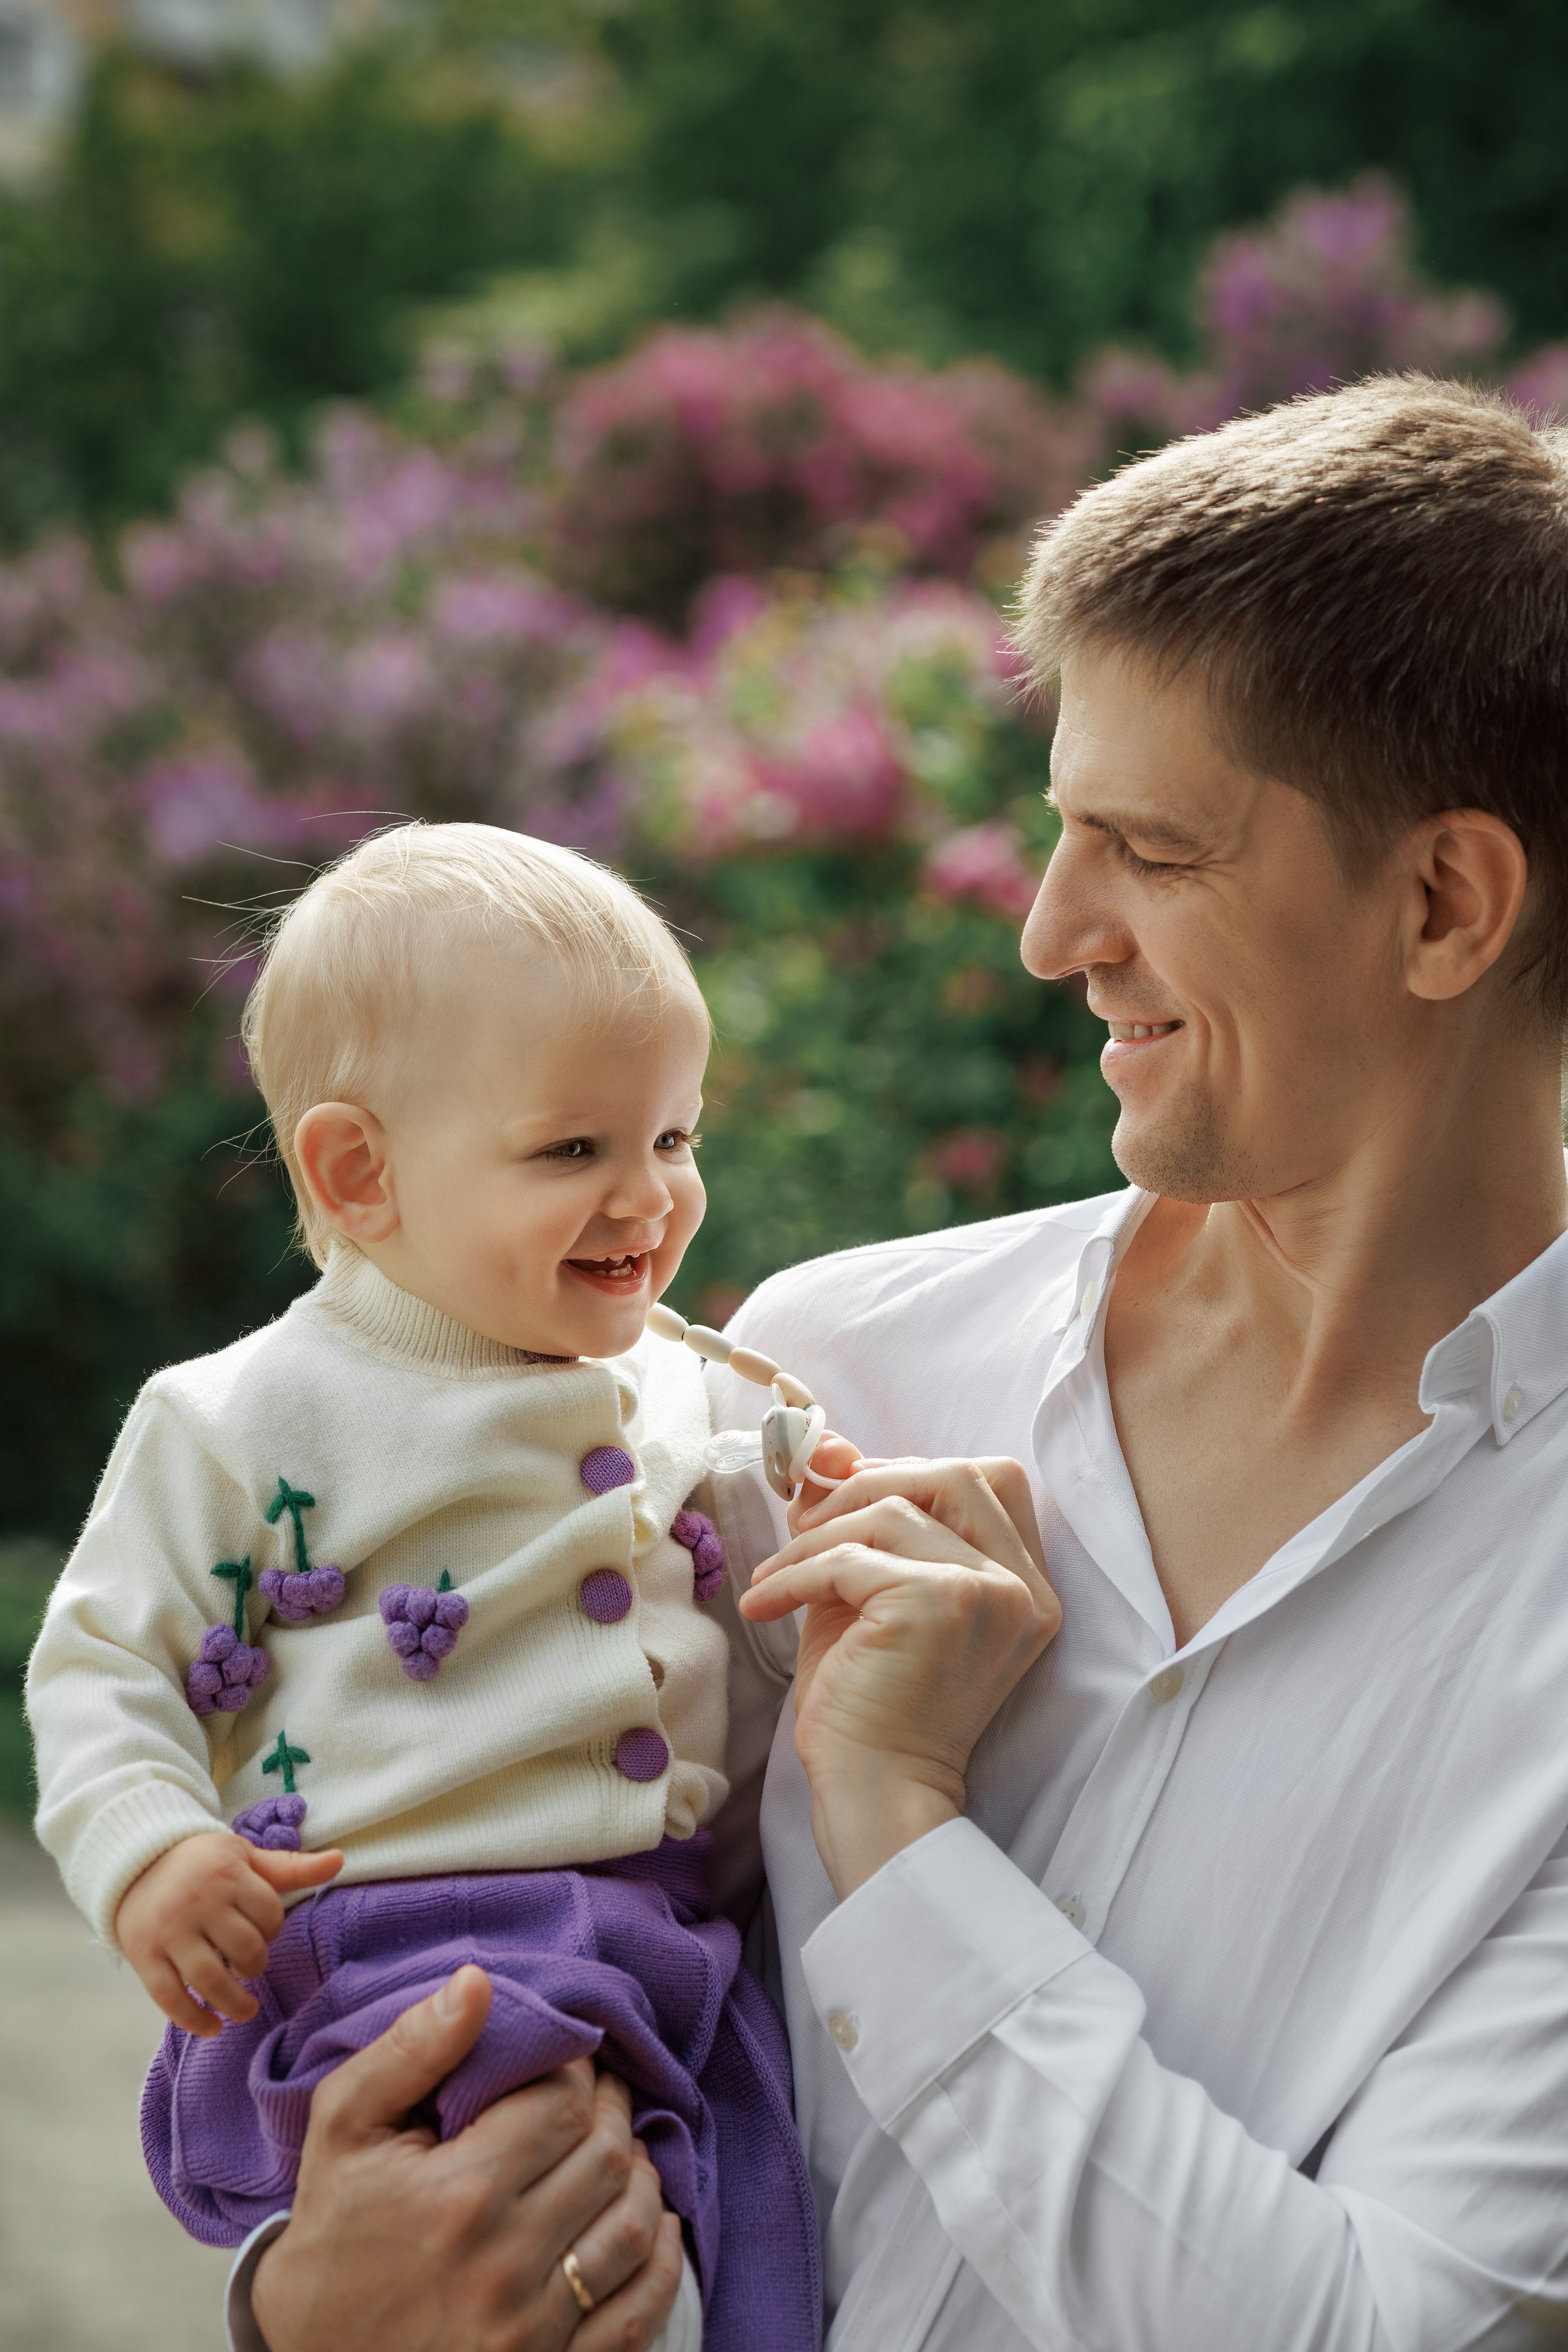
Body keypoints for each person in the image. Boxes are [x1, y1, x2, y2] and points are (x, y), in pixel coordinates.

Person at [233, 372, 1568, 2352]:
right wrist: (312, 2293)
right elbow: (502, 1961)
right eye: (1058, 836)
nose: (1048, 935)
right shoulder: (824, 1368)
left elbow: (1371, 2329)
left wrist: (894, 1815)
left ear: (1445, 903)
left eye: (1148, 849)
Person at [25, 823, 823, 2352]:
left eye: (675, 1136)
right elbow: (101, 1664)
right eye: (572, 1150)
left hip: (666, 1945)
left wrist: (807, 1527)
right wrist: (152, 1853)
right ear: (359, 1171)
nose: (649, 1196)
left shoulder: (678, 1383)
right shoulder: (244, 1415)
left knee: (751, 2235)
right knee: (551, 2243)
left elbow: (738, 1632)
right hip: (416, 1945)